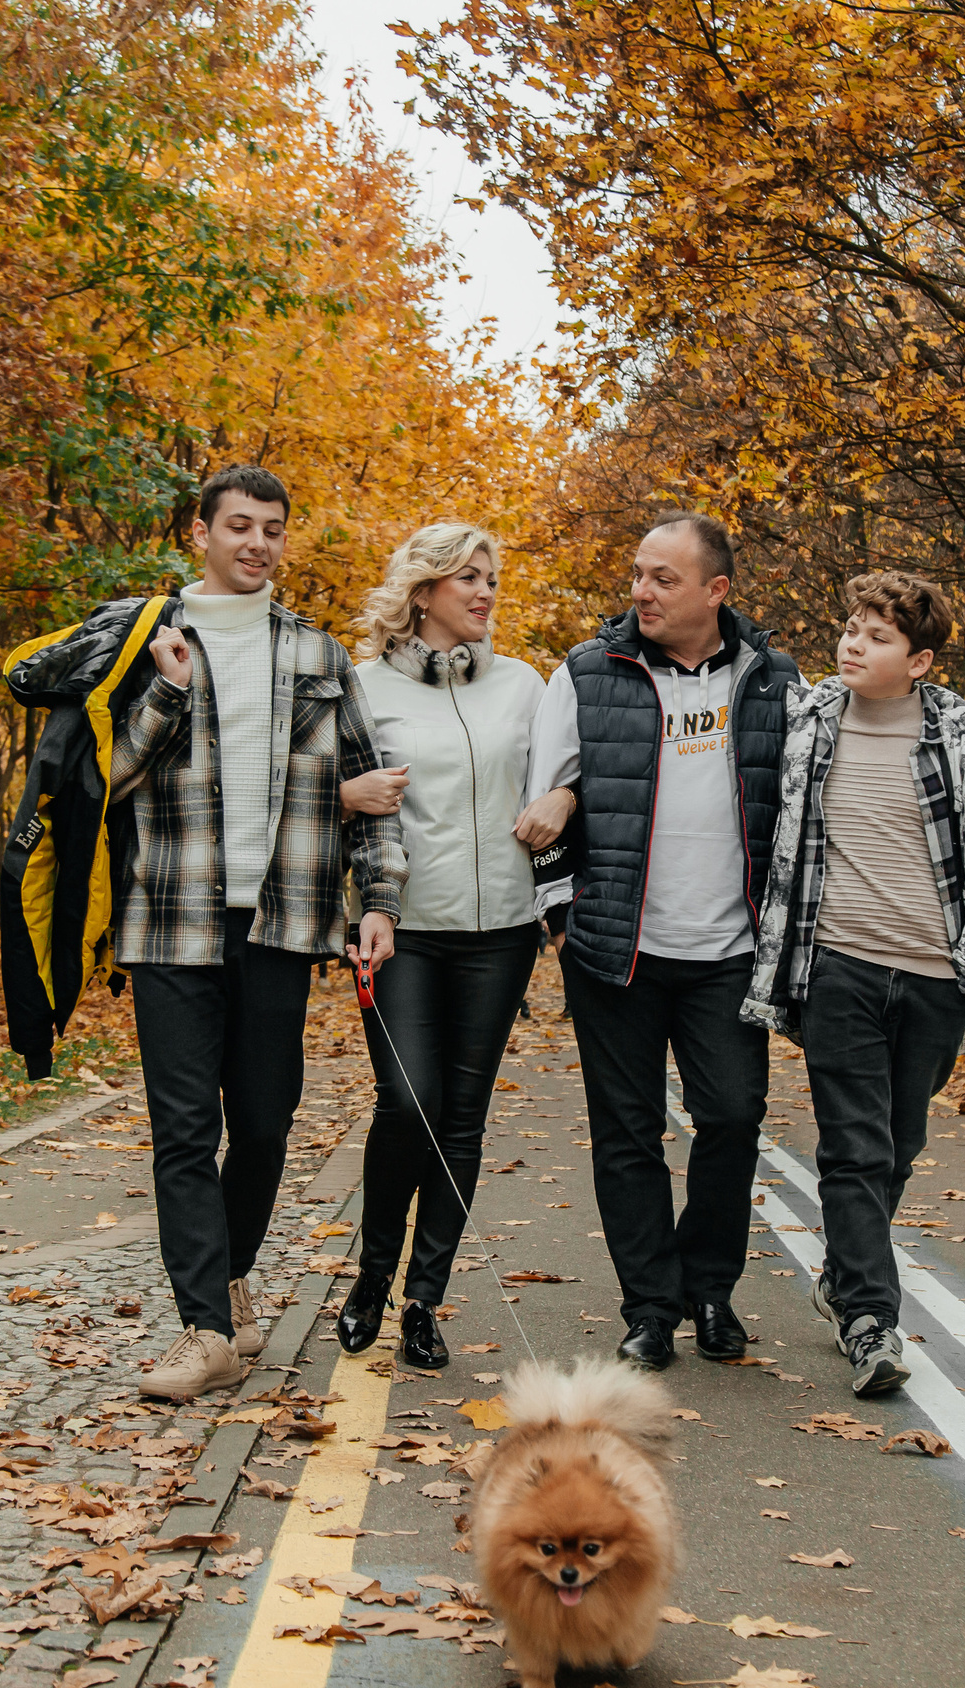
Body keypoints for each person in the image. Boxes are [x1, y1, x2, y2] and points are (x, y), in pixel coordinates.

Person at [110, 464, 407, 1401]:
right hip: (170, 920)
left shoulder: (318, 653)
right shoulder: (144, 641)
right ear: (201, 532)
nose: (257, 543)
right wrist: (165, 691)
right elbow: (107, 776)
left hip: (282, 922)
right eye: (239, 525)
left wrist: (379, 899)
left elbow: (374, 792)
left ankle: (229, 1274)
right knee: (183, 1130)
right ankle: (205, 1329)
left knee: (266, 1122)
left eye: (272, 528)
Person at [513, 512, 803, 1372]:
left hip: (729, 953)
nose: (641, 591)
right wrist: (562, 920)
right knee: (627, 1133)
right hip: (615, 951)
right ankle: (648, 1307)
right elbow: (545, 798)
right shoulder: (585, 672)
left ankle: (708, 1289)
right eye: (639, 574)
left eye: (663, 578)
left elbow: (801, 807)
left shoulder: (773, 679)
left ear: (716, 590)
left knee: (733, 1117)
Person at [742, 574, 965, 1396]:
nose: (853, 644)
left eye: (877, 637)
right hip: (837, 967)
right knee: (854, 1149)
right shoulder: (806, 722)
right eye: (851, 628)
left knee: (898, 1145)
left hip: (937, 981)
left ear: (920, 661)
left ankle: (845, 1276)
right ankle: (872, 1321)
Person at [332, 523, 546, 1371]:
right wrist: (342, 796)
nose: (486, 591)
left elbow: (563, 775)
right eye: (468, 578)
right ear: (423, 593)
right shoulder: (362, 686)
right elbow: (323, 795)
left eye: (491, 577)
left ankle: (424, 1299)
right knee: (406, 1099)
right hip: (402, 929)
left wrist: (562, 799)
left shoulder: (525, 685)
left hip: (504, 933)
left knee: (462, 1119)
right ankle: (372, 1275)